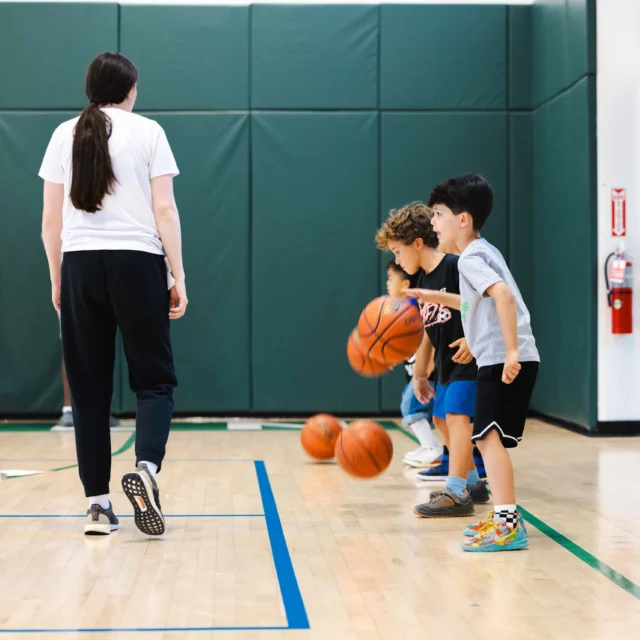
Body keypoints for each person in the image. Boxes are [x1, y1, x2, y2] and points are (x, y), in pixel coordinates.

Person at [40, 52, 188, 536]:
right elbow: (164, 209)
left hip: (81, 262)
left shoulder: (64, 133)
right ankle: (146, 470)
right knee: (154, 380)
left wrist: (58, 277)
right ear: (129, 90)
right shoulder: (148, 132)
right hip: (137, 262)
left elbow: (50, 223)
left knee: (88, 390)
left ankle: (99, 507)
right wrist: (177, 274)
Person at [428, 173, 539, 551]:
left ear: (463, 219)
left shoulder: (470, 259)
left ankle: (508, 524)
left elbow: (504, 297)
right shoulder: (483, 251)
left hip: (506, 358)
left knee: (488, 439)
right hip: (503, 353)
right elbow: (477, 306)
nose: (433, 222)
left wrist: (508, 352)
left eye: (439, 214)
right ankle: (505, 518)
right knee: (487, 438)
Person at [376, 202, 487, 518]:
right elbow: (427, 330)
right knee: (441, 419)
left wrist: (471, 337)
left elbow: (481, 303)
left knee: (455, 417)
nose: (396, 260)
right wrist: (420, 374)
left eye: (398, 252)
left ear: (417, 243)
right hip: (447, 366)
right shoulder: (423, 280)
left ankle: (456, 493)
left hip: (472, 358)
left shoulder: (455, 266)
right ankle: (472, 483)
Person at [385, 260, 442, 468]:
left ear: (406, 284)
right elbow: (406, 345)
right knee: (421, 411)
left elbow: (428, 337)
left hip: (427, 372)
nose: (387, 283)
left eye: (391, 278)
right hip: (415, 372)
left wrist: (427, 369)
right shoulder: (400, 309)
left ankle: (432, 448)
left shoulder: (412, 308)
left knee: (410, 407)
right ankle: (430, 446)